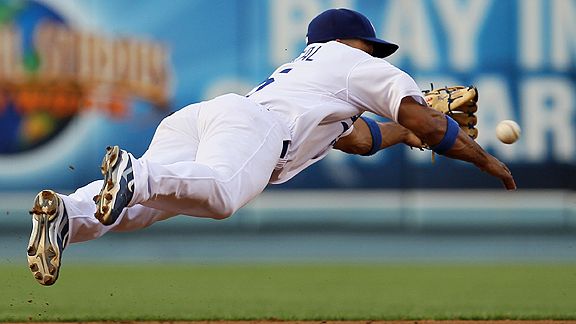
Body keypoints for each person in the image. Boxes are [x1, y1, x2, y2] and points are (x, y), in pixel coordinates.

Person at [26, 8, 516, 286]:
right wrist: (485, 158)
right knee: (219, 198)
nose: (377, 55)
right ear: (350, 42)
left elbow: (363, 138)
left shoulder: (312, 82)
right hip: (254, 128)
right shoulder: (355, 63)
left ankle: (67, 214)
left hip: (206, 117)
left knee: (136, 210)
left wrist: (406, 131)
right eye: (373, 47)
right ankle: (139, 174)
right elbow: (432, 126)